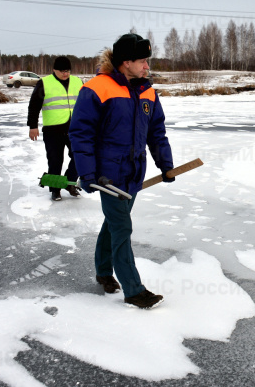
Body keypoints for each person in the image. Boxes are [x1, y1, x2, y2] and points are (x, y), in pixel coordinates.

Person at [69, 33, 174, 309]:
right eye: (142, 61)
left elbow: (157, 132)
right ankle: (133, 289)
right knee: (122, 227)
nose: (146, 67)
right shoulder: (97, 88)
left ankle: (104, 271)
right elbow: (81, 134)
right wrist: (88, 173)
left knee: (113, 224)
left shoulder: (147, 91)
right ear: (126, 62)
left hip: (133, 173)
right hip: (108, 175)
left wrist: (166, 164)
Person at [27, 56, 83, 201]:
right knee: (55, 161)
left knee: (80, 156)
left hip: (75, 129)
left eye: (68, 71)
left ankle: (69, 183)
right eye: (62, 71)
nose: (65, 74)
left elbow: (85, 104)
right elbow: (34, 106)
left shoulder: (78, 82)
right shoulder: (44, 83)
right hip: (53, 130)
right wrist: (33, 126)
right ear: (54, 70)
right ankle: (55, 189)